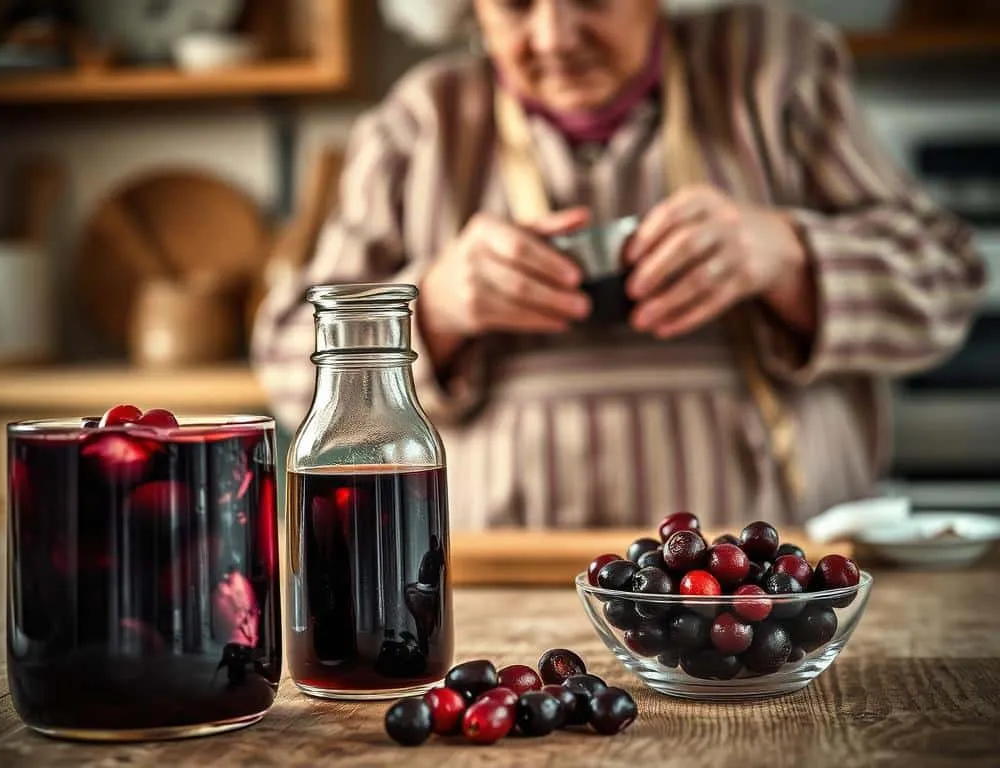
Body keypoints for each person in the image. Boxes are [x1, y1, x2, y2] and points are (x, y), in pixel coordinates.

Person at [250, 0, 985, 530]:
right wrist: (433, 307)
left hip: (772, 591)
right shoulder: (420, 121)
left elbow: (949, 282)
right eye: (512, 6)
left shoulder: (773, 69)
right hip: (503, 598)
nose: (556, 35)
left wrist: (790, 255)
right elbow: (287, 365)